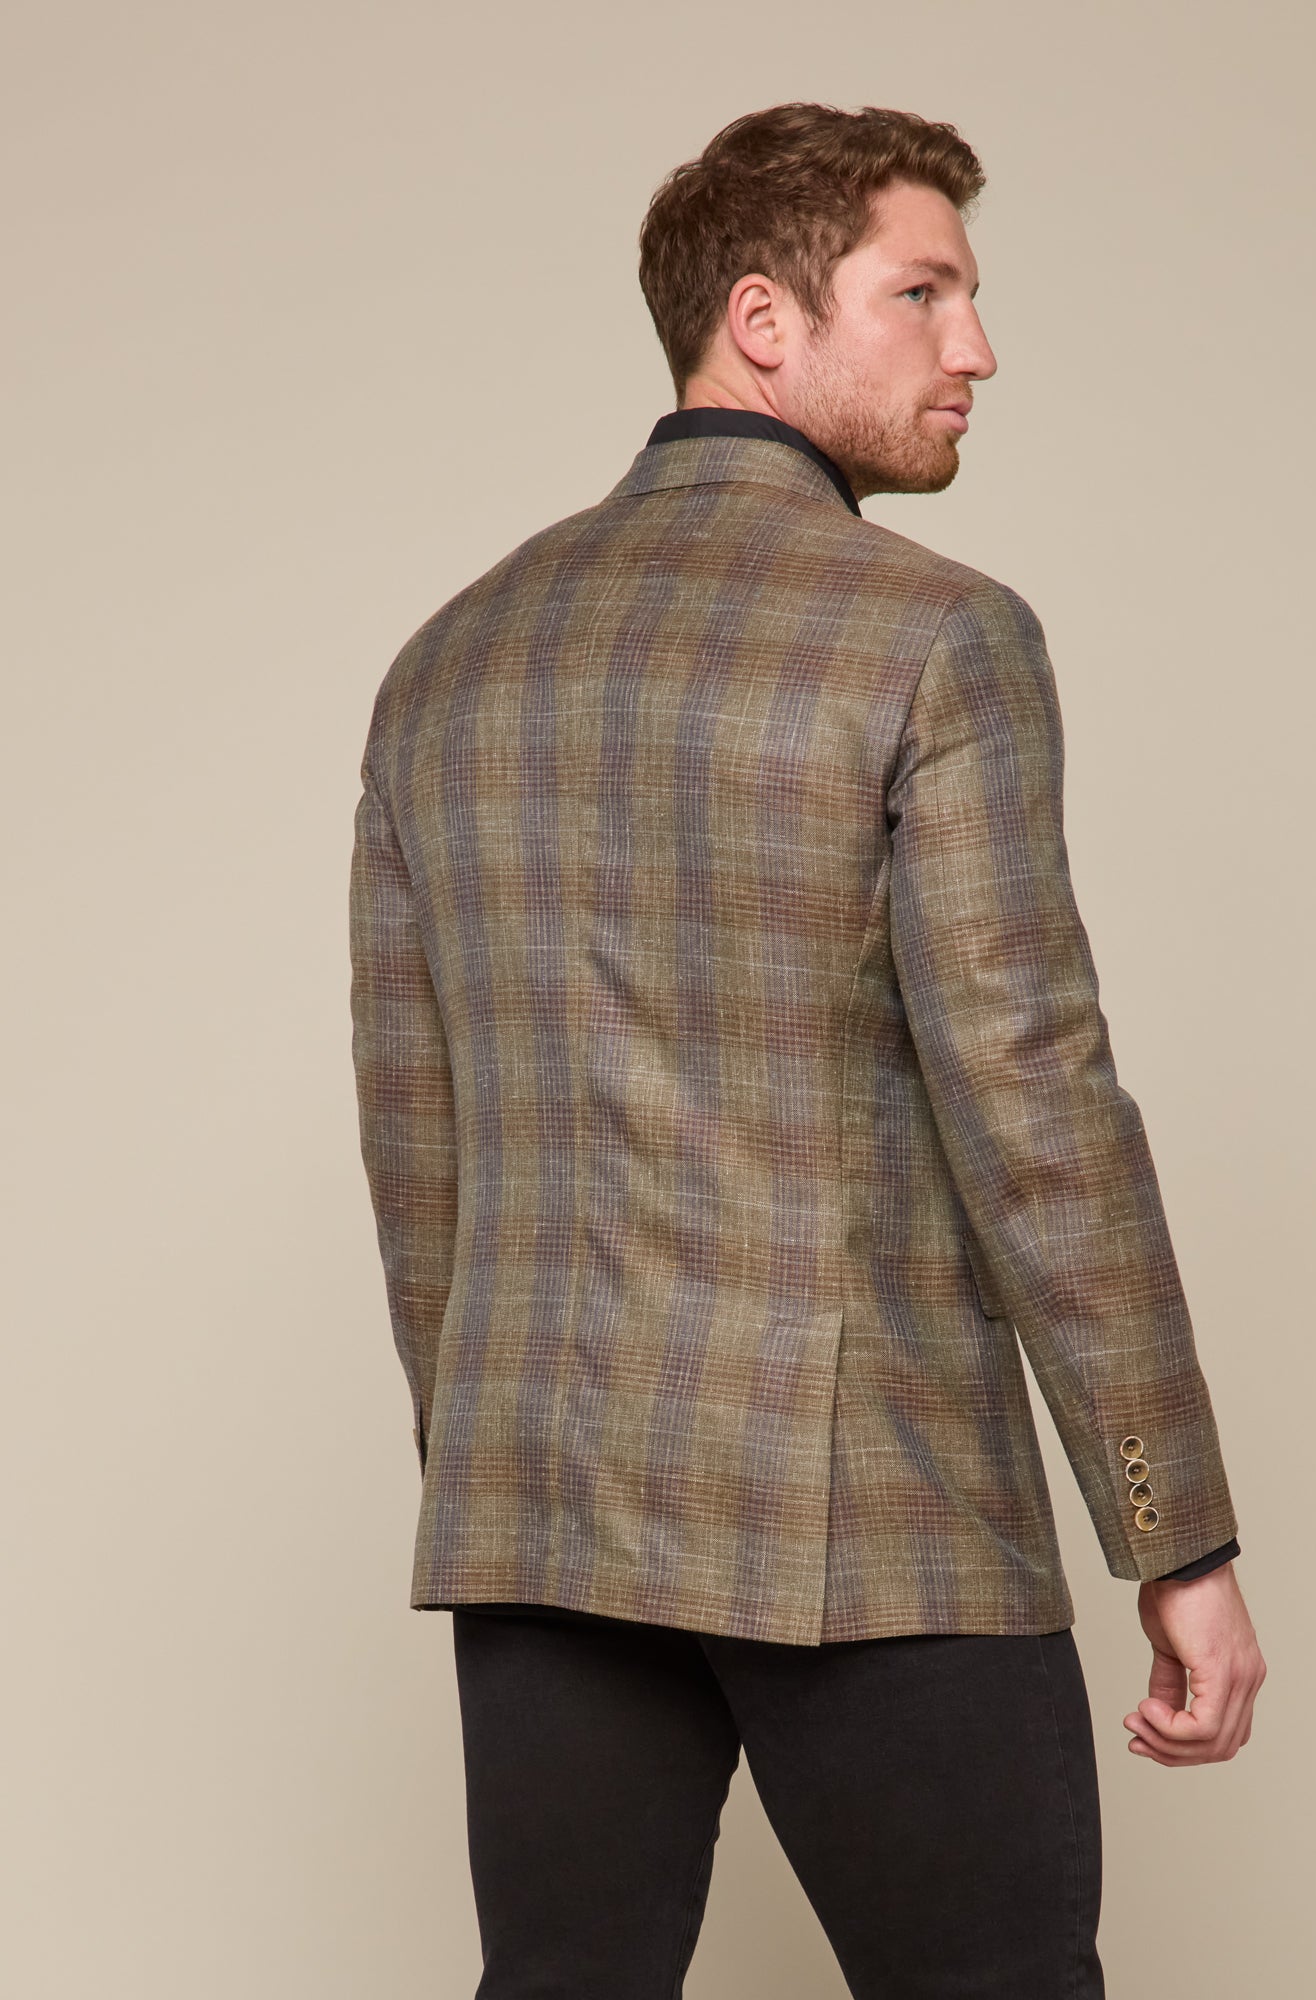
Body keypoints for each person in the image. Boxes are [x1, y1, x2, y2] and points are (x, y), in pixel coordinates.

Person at [350, 99, 1266, 2000]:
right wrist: (1171, 1533)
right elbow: (1036, 1108)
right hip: (875, 1510)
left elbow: (414, 1136)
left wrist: (495, 1462)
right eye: (923, 293)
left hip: (536, 1521)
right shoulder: (935, 638)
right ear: (760, 321)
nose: (976, 347)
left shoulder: (447, 662)